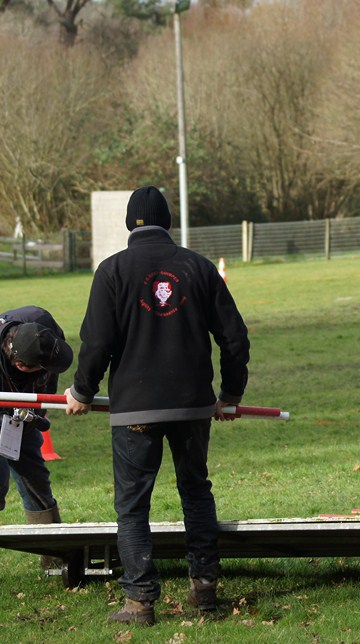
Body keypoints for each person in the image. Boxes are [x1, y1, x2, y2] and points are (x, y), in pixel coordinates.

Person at [65, 186, 250, 626]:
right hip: (193, 407)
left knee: (132, 506)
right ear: (167, 222)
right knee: (195, 491)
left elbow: (97, 343)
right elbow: (235, 338)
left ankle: (140, 601)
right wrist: (230, 394)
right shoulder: (199, 268)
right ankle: (204, 587)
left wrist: (81, 392)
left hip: (134, 410)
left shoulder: (111, 271)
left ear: (131, 223)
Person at [0, 307, 74, 573]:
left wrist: (35, 413)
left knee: (33, 472)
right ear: (21, 365)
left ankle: (53, 553)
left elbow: (50, 373)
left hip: (20, 407)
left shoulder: (43, 326)